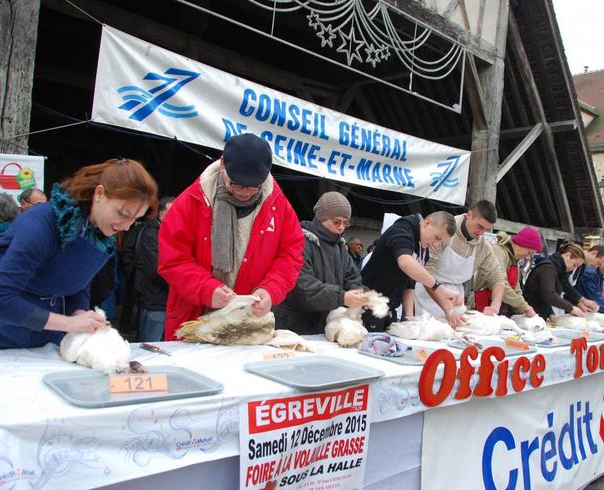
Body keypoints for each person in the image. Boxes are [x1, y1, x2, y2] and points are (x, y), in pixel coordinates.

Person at [0, 159, 157, 349]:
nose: (126, 226)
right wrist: (67, 323)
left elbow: (79, 282)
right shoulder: (40, 224)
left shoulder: (100, 234)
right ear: (99, 193)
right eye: (123, 213)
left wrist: (79, 312)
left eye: (135, 219)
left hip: (41, 333)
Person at [159, 133, 304, 340]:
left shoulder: (279, 205)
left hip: (247, 323)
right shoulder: (190, 201)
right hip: (193, 319)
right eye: (236, 184)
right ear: (222, 165)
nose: (244, 192)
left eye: (254, 187)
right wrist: (206, 289)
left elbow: (291, 255)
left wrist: (271, 289)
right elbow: (173, 260)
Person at [274, 192, 367, 334]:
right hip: (292, 327)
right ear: (321, 218)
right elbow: (302, 288)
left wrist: (360, 294)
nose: (341, 227)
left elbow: (352, 278)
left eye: (345, 223)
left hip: (322, 327)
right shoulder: (298, 241)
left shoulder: (340, 248)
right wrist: (342, 297)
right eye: (336, 222)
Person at [361, 211, 461, 330]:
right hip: (367, 304)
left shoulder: (422, 249)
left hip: (388, 309)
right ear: (426, 223)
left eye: (441, 242)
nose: (436, 244)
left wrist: (409, 318)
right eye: (437, 238)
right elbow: (405, 262)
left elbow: (409, 282)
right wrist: (439, 288)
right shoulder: (402, 230)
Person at [414, 200, 504, 326]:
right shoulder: (446, 229)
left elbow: (497, 278)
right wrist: (447, 309)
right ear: (469, 215)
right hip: (428, 297)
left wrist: (495, 305)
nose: (481, 233)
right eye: (480, 226)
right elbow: (425, 272)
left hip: (456, 302)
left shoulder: (483, 247)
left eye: (486, 229)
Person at [134, 196, 175, 342]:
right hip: (156, 301)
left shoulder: (177, 233)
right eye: (173, 212)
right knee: (151, 347)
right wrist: (182, 284)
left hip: (173, 300)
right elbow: (155, 269)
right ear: (162, 214)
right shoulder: (150, 234)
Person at [478, 227, 542, 317]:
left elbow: (516, 289)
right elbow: (500, 282)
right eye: (528, 252)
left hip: (501, 308)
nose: (528, 257)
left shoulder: (514, 260)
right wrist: (523, 306)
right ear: (521, 244)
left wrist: (524, 310)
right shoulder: (498, 252)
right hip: (483, 305)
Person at [522, 242, 587, 320]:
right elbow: (548, 294)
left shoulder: (558, 270)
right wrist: (571, 308)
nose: (574, 269)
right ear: (568, 256)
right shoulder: (548, 268)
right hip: (529, 317)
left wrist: (550, 313)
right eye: (574, 265)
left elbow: (543, 294)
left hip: (538, 315)